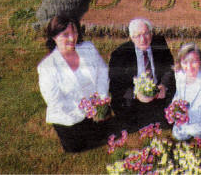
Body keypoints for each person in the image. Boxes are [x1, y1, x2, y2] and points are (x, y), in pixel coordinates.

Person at [38, 15, 115, 152]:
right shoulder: (47, 67)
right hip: (69, 116)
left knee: (103, 134)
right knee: (77, 148)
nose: (72, 38)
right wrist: (86, 110)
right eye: (65, 34)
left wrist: (101, 99)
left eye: (74, 32)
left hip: (95, 109)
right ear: (54, 37)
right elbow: (55, 101)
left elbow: (103, 72)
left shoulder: (88, 48)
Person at [109, 18, 175, 132]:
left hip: (158, 94)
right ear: (131, 38)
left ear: (151, 33)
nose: (143, 39)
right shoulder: (120, 54)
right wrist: (135, 94)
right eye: (137, 36)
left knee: (171, 119)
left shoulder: (159, 43)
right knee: (131, 124)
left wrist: (164, 85)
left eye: (146, 34)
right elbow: (115, 85)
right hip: (135, 99)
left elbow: (169, 67)